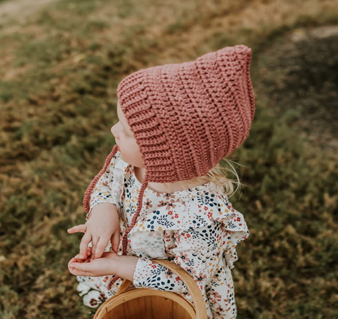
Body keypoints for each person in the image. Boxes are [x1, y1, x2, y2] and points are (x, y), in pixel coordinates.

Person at [67, 44, 255, 318]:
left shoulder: (200, 217)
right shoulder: (129, 162)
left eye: (127, 131)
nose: (113, 130)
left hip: (175, 301)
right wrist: (103, 209)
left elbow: (185, 283)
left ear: (167, 153)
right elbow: (107, 183)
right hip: (126, 274)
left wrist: (119, 265)